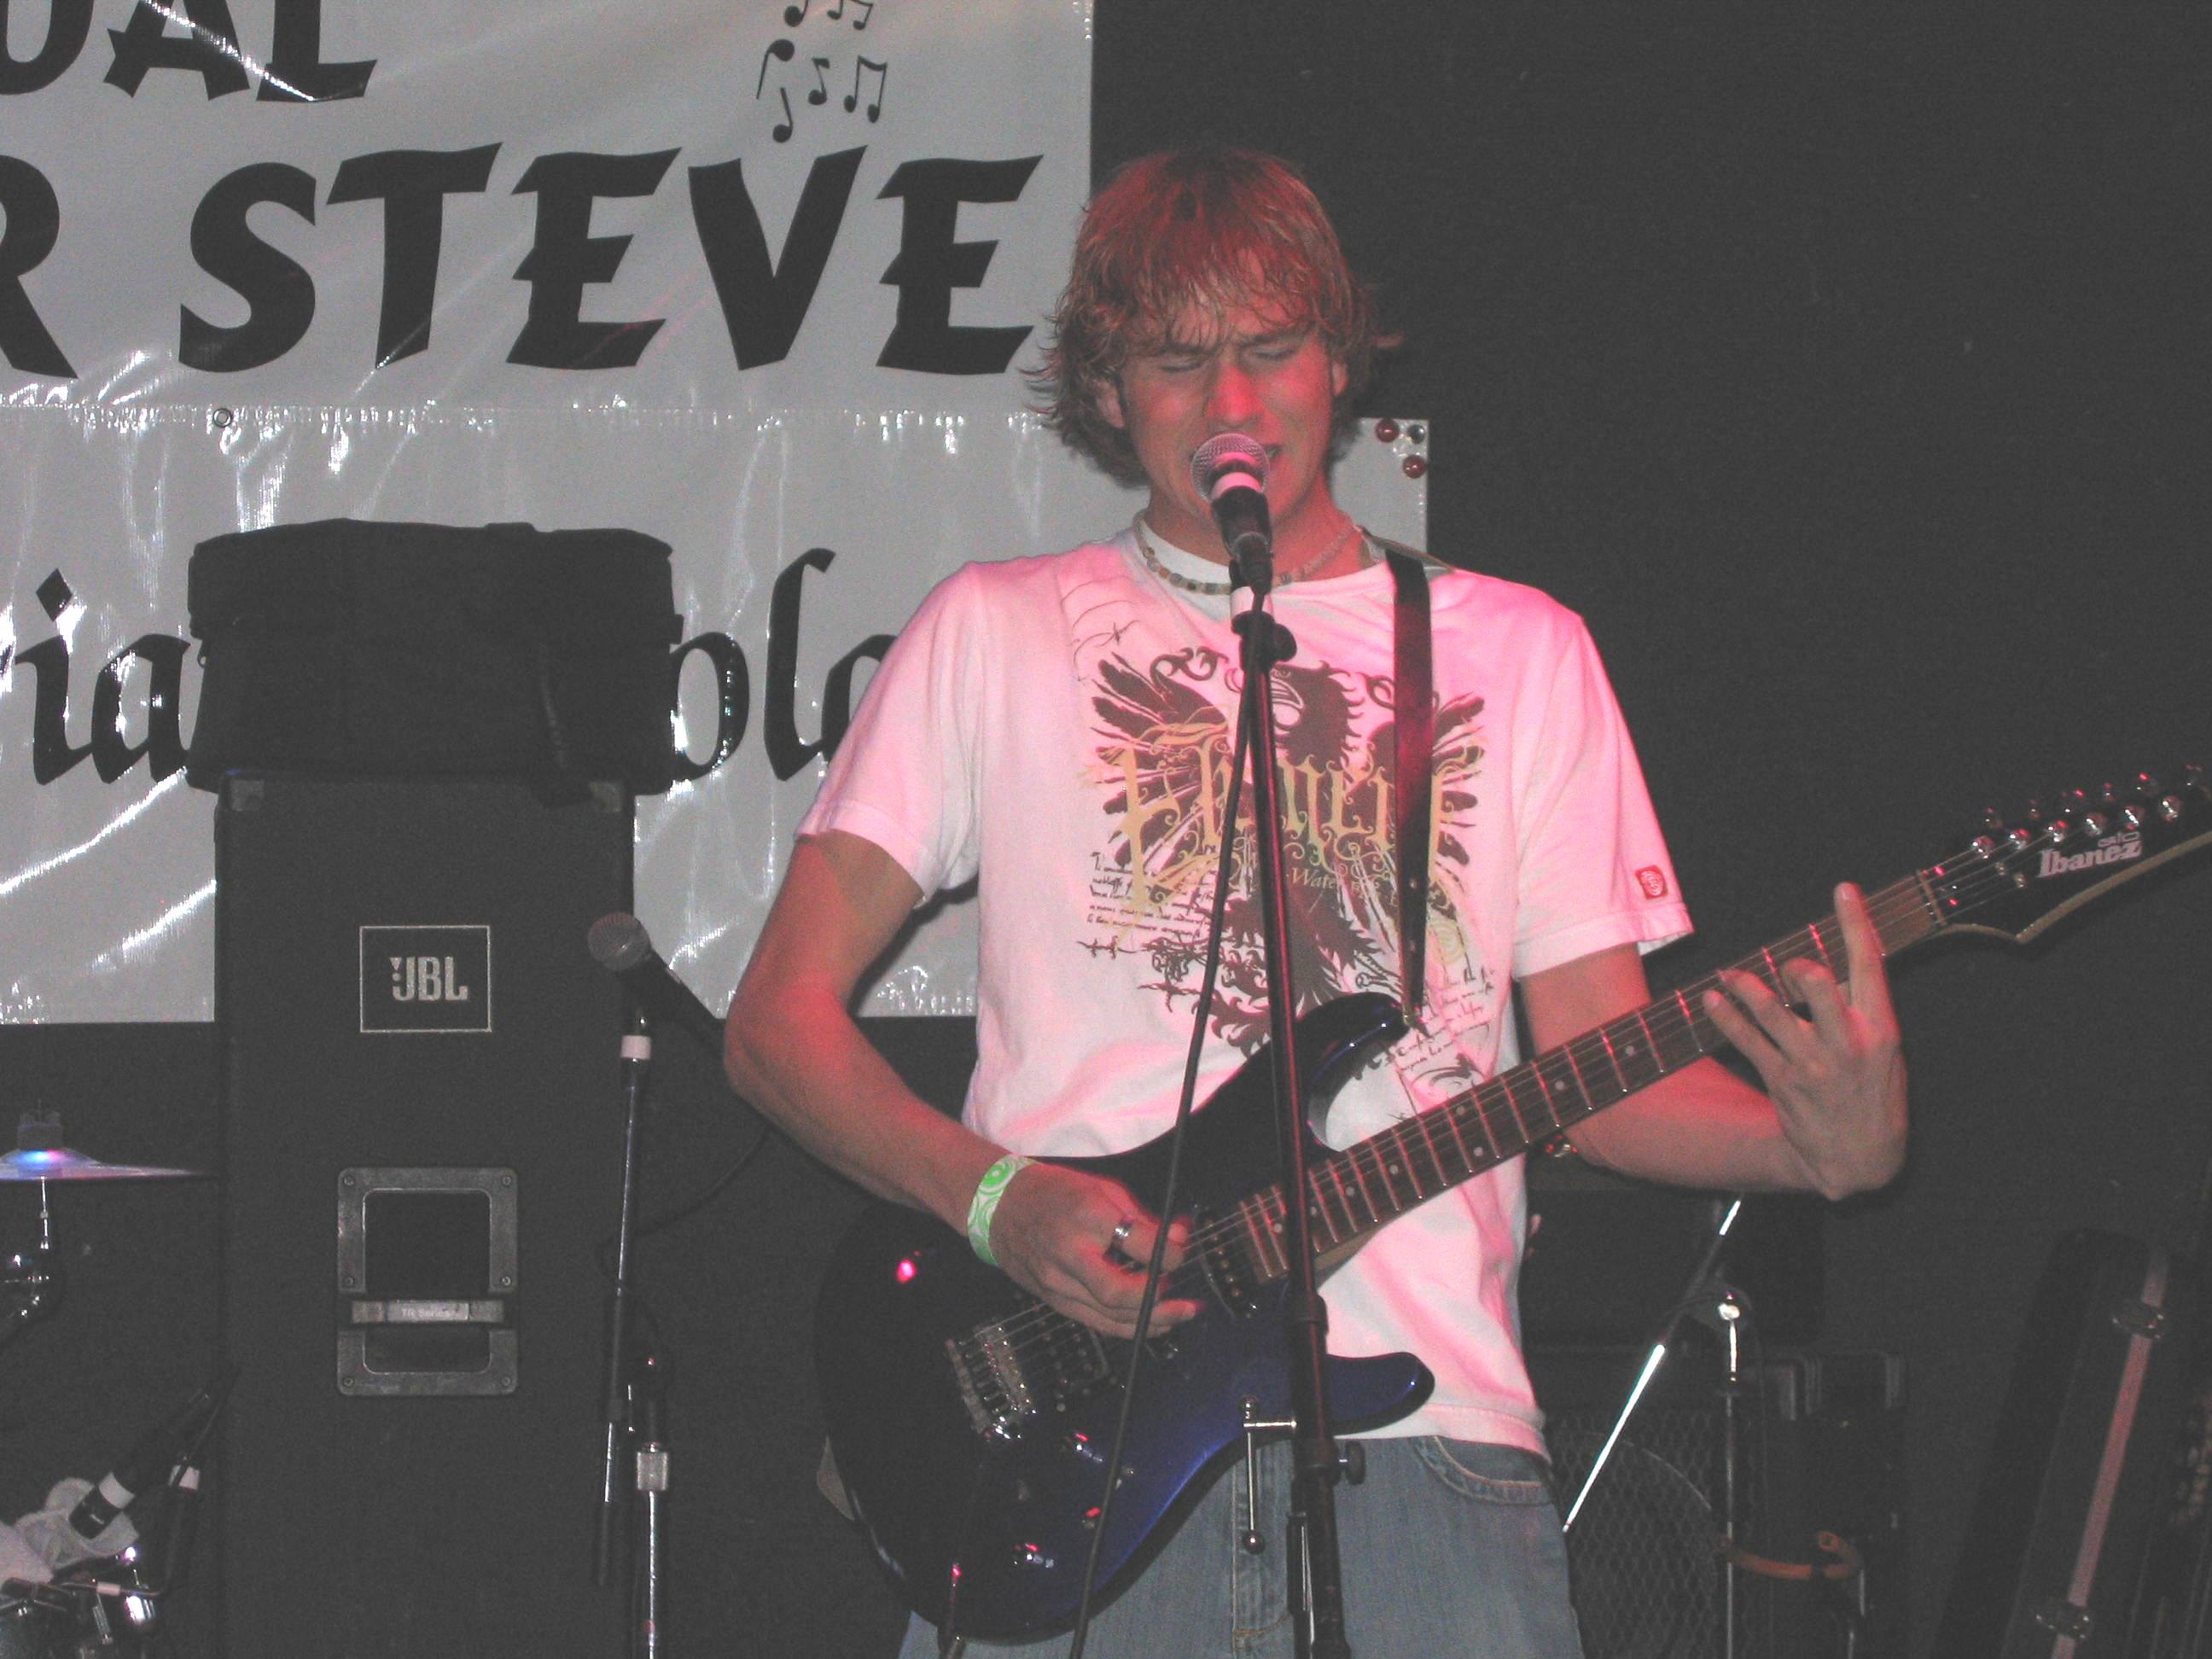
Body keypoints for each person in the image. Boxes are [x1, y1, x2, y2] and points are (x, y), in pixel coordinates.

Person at [725, 148, 1907, 1659]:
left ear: (1340, 358)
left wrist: (1817, 1149)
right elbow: (775, 1024)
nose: (1232, 404)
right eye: (1176, 361)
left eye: (1272, 348)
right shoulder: (994, 634)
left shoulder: (1519, 652)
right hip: (1075, 1445)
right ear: (1107, 393)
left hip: (1427, 1457)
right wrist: (995, 1199)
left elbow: (1597, 1075)